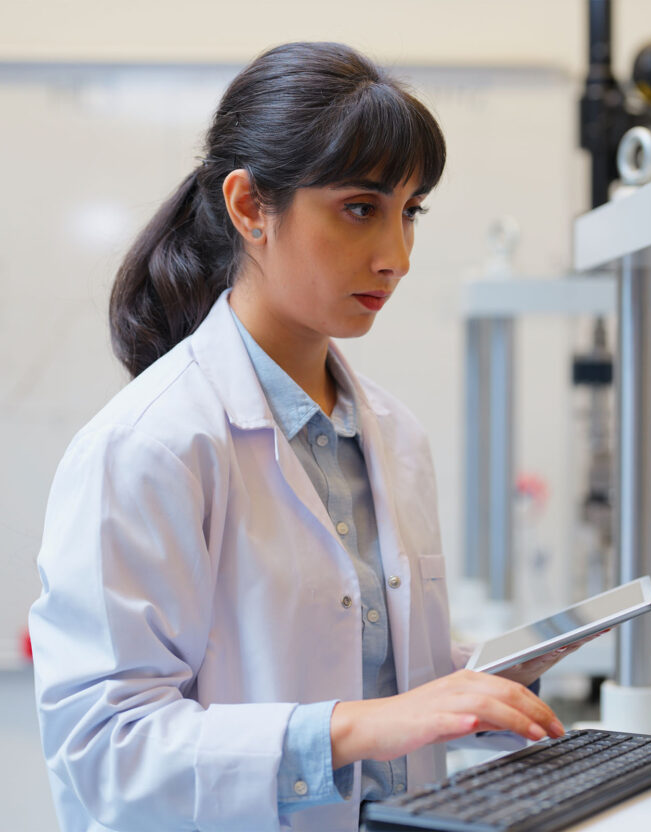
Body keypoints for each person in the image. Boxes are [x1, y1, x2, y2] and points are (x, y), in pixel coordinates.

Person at [29, 42, 581, 832]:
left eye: (410, 211)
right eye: (361, 208)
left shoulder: (393, 435)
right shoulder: (151, 445)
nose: (396, 257)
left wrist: (472, 686)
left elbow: (359, 660)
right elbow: (108, 753)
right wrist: (359, 725)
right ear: (250, 207)